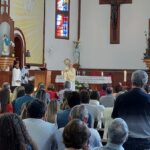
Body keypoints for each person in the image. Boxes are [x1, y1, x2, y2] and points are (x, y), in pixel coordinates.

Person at [112, 70, 150, 150]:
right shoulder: (148, 99)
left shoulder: (121, 97)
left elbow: (115, 118)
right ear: (145, 83)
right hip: (145, 141)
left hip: (124, 140)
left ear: (132, 81)